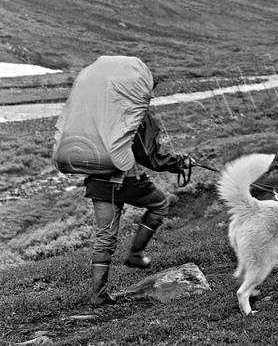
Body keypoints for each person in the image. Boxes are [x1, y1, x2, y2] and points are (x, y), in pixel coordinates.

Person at [52, 56, 195, 306]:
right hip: (127, 182)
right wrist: (179, 162)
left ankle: (99, 294)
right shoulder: (136, 115)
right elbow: (149, 157)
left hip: (98, 184)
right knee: (159, 204)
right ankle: (136, 254)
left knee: (105, 236)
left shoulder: (99, 112)